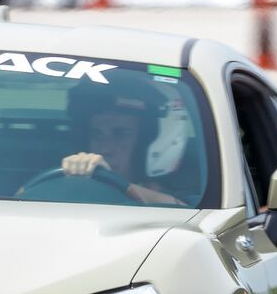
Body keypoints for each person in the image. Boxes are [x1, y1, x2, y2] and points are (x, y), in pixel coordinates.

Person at [42, 82, 185, 206]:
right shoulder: (59, 189)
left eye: (121, 135)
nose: (105, 149)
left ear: (145, 143)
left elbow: (184, 210)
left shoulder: (175, 196)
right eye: (96, 135)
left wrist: (121, 187)